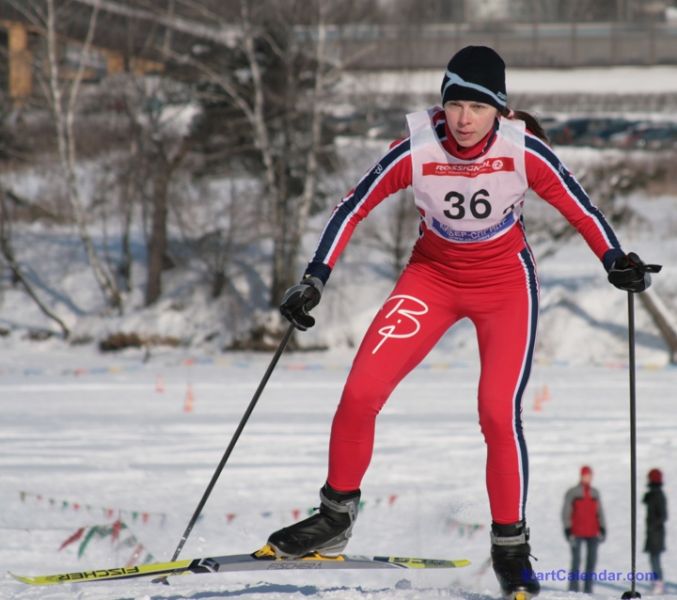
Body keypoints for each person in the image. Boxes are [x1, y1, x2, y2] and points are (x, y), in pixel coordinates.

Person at [261, 45, 657, 599]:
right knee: (359, 393)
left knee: (497, 413)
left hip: (504, 288)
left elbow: (578, 205)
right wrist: (315, 277)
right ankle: (334, 518)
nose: (464, 119)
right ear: (441, 104)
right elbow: (352, 206)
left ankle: (511, 549)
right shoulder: (417, 148)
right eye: (454, 105)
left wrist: (616, 261)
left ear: (499, 108)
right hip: (432, 278)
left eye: (477, 107)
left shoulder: (525, 152)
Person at [561, 465, 606, 593]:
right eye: (585, 475)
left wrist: (602, 527)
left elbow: (599, 512)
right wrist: (568, 529)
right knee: (576, 561)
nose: (588, 478)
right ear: (581, 476)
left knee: (591, 562)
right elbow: (566, 511)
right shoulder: (573, 492)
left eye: (589, 475)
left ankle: (588, 590)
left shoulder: (594, 493)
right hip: (577, 532)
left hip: (593, 532)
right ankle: (573, 590)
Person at [644, 468, 668, 594]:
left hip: (656, 533)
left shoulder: (658, 495)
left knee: (655, 559)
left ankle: (659, 583)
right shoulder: (653, 494)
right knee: (653, 558)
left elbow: (663, 515)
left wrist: (653, 526)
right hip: (653, 533)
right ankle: (657, 581)